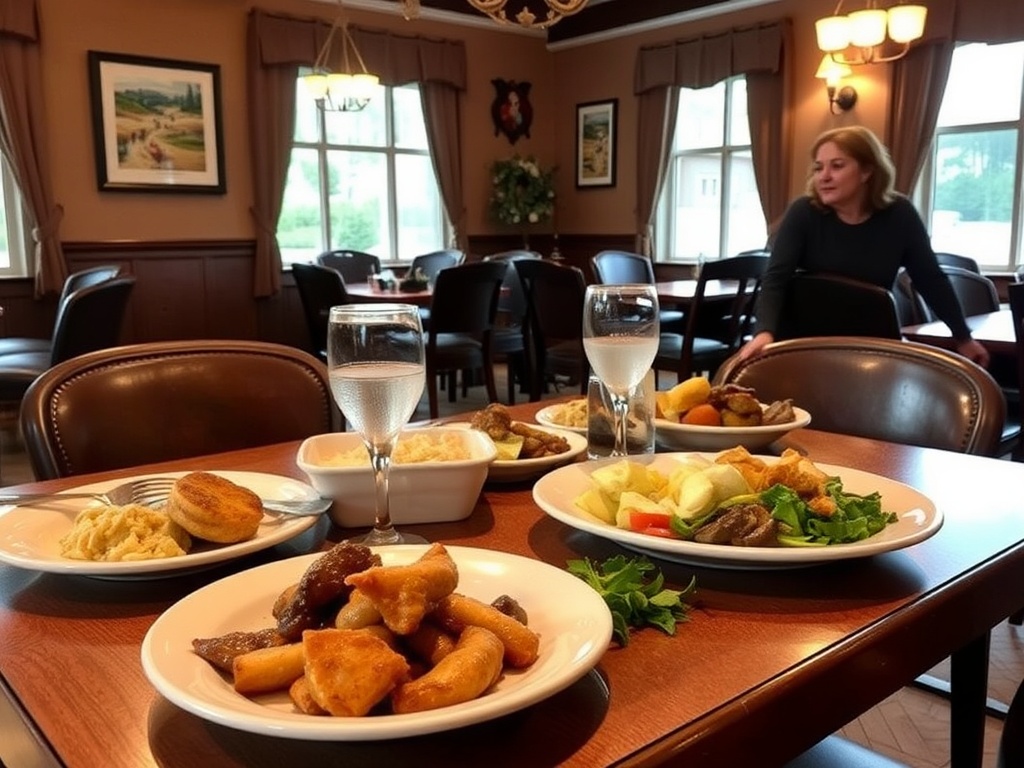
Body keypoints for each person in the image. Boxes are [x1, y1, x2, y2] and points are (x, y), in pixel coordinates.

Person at [738, 125, 990, 367]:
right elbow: (776, 278)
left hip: (871, 346)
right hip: (803, 342)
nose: (824, 176)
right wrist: (764, 332)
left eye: (837, 166)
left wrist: (963, 337)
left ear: (867, 171)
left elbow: (931, 280)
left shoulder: (900, 214)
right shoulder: (803, 212)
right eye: (818, 167)